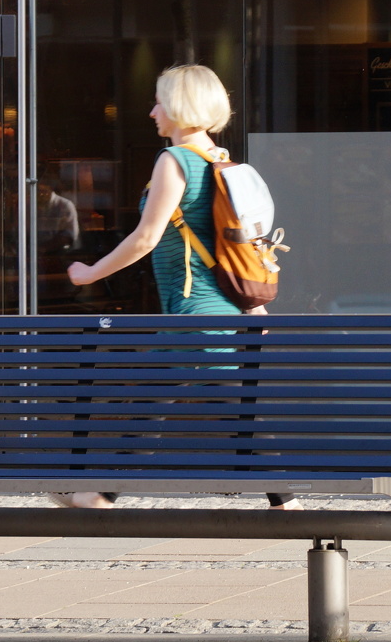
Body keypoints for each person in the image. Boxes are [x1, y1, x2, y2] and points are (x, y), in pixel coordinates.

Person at [64, 64, 301, 512]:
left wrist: (89, 274)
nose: (153, 111)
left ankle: (100, 494)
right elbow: (238, 243)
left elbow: (146, 238)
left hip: (197, 312)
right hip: (220, 310)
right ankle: (284, 501)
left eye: (159, 101)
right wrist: (250, 305)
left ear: (178, 106)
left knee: (159, 398)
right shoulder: (222, 163)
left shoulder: (174, 162)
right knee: (223, 406)